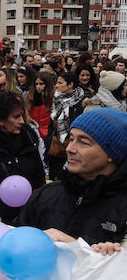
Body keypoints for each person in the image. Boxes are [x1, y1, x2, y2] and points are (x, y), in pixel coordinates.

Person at [14, 108, 127, 253]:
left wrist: (79, 248)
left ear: (112, 153)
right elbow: (15, 244)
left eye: (84, 142)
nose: (70, 148)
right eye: (71, 139)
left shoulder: (122, 207)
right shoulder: (46, 194)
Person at [0, 92, 46, 223]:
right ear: (0, 120)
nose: (22, 121)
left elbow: (39, 177)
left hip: (28, 214)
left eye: (22, 115)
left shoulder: (29, 137)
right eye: (16, 117)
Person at [48, 72, 86, 180]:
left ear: (70, 85)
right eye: (56, 82)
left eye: (60, 83)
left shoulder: (81, 101)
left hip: (73, 145)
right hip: (56, 146)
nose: (56, 85)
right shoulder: (57, 99)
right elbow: (52, 122)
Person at [27, 72, 55, 140]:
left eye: (41, 84)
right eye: (36, 84)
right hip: (34, 134)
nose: (38, 86)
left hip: (48, 136)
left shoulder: (53, 99)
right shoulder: (30, 99)